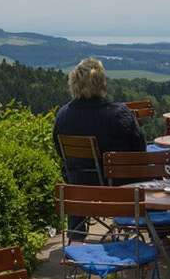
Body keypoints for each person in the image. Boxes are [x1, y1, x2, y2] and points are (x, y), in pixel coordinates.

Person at [52, 57, 145, 185]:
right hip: (122, 192)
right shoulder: (119, 114)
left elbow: (61, 155)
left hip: (79, 191)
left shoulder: (62, 116)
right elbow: (140, 152)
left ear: (73, 82)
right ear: (102, 83)